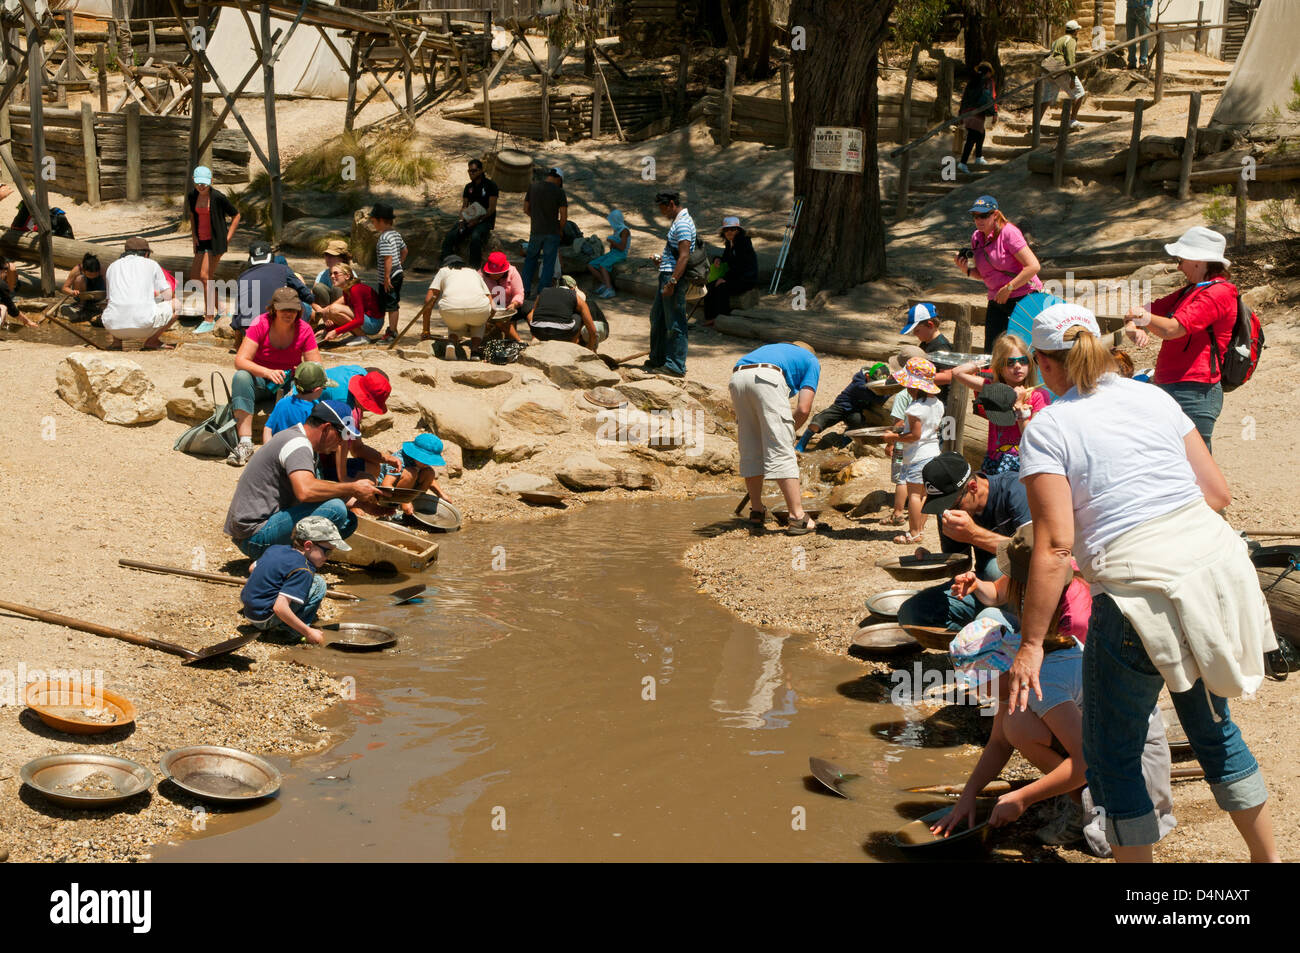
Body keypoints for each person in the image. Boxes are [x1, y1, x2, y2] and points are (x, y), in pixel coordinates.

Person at [1016, 301, 1279, 862]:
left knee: (1114, 755)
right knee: (1214, 732)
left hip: (1141, 595)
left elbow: (1056, 545)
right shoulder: (1154, 396)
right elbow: (1218, 495)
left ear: (1043, 363)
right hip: (1212, 575)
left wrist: (1032, 643)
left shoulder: (1048, 425)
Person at [223, 399, 384, 560]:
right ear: (327, 428)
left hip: (260, 529)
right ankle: (294, 561)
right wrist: (352, 488)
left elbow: (319, 490)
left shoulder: (305, 446)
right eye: (342, 435)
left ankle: (298, 556)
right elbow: (305, 491)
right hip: (254, 535)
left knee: (348, 522)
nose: (342, 443)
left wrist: (361, 503)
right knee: (336, 509)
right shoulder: (297, 444)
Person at [1123, 226, 1237, 453]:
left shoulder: (1219, 293)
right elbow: (1137, 312)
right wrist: (1132, 326)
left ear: (1198, 261)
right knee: (1169, 460)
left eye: (1181, 259)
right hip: (1169, 384)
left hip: (1196, 391)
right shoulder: (1191, 291)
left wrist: (1142, 319)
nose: (1179, 266)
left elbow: (1172, 329)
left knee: (1196, 466)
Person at [896, 451, 1032, 630]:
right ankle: (979, 634)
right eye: (942, 507)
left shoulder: (1016, 490)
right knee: (911, 613)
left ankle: (1003, 630)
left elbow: (1033, 552)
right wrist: (932, 562)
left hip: (1026, 593)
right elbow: (961, 567)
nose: (948, 512)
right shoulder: (950, 511)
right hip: (983, 588)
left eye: (952, 505)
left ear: (973, 487)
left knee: (995, 568)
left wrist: (974, 534)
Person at [729, 341, 820, 536]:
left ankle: (756, 511)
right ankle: (797, 518)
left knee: (751, 447)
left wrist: (776, 432)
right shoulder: (811, 360)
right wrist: (785, 435)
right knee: (781, 450)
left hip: (737, 377)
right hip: (767, 377)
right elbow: (804, 408)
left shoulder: (775, 350)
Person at [228, 287, 323, 467]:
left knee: (311, 387)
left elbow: (316, 367)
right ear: (274, 309)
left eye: (293, 310)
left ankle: (299, 446)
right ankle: (245, 442)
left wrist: (301, 372)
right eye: (284, 309)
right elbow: (240, 360)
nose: (289, 313)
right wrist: (267, 372)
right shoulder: (260, 323)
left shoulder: (304, 329)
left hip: (288, 384)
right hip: (260, 381)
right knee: (241, 377)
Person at [240, 515, 350, 646]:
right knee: (319, 584)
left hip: (249, 611)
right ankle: (289, 631)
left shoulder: (276, 549)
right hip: (264, 619)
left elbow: (252, 568)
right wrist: (308, 632)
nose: (327, 558)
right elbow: (280, 608)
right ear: (308, 545)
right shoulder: (304, 569)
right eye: (327, 552)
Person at [951, 332, 1051, 474]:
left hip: (1022, 461)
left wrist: (1020, 406)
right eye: (1009, 362)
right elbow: (957, 373)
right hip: (994, 458)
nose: (1017, 366)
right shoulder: (994, 389)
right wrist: (981, 364)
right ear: (1000, 366)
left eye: (1023, 361)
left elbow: (1033, 436)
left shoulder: (1038, 395)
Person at [953, 196, 1042, 352]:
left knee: (1023, 351)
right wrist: (966, 269)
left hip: (1022, 297)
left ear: (995, 215)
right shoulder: (977, 237)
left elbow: (1033, 266)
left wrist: (1009, 288)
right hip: (996, 299)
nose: (979, 220)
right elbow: (985, 274)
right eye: (975, 216)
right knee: (992, 351)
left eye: (984, 215)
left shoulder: (1009, 233)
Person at [881, 357, 945, 545]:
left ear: (915, 387)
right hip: (933, 451)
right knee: (925, 494)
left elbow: (915, 435)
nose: (907, 389)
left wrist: (893, 437)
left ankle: (914, 533)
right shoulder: (937, 404)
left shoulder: (915, 408)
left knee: (915, 495)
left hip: (918, 455)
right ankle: (920, 529)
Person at [645, 190, 697, 379]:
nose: (662, 212)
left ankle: (675, 365)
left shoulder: (682, 224)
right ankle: (658, 358)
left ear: (672, 204)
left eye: (663, 208)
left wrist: (672, 282)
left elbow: (684, 256)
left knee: (675, 321)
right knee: (657, 318)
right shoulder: (678, 222)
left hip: (672, 278)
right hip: (667, 273)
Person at [322, 368, 399, 484]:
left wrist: (387, 458)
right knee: (368, 481)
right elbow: (341, 444)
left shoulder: (357, 373)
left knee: (372, 469)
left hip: (329, 455)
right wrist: (344, 479)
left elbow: (357, 448)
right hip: (318, 455)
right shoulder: (345, 406)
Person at [186, 165, 241, 326]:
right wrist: (194, 236)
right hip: (200, 241)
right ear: (193, 181)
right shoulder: (192, 196)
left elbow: (236, 215)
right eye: (198, 183)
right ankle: (222, 309)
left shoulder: (217, 197)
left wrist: (227, 238)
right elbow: (192, 215)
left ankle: (209, 318)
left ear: (210, 181)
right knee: (195, 278)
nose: (201, 186)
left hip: (216, 242)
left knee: (205, 277)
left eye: (204, 183)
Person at [102, 236, 176, 349]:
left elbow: (109, 300)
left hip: (114, 327)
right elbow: (168, 296)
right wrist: (155, 298)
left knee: (113, 305)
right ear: (145, 254)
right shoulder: (152, 264)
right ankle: (152, 341)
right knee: (177, 304)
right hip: (144, 326)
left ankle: (117, 343)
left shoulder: (112, 266)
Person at [234, 240, 313, 341]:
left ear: (250, 259)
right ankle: (300, 339)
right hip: (278, 328)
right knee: (305, 305)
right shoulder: (283, 269)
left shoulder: (242, 277)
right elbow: (307, 296)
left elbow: (239, 310)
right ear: (271, 256)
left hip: (251, 331)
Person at [800, 361, 890, 448]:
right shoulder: (859, 384)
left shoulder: (870, 384)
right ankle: (802, 443)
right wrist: (890, 392)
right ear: (867, 376)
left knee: (857, 424)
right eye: (874, 383)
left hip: (854, 411)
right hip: (841, 407)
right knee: (819, 422)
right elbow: (878, 399)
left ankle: (842, 442)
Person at [418, 254, 494, 354]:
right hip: (478, 309)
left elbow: (428, 301)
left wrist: (426, 331)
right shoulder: (473, 272)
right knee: (479, 323)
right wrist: (488, 319)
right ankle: (475, 351)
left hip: (452, 310)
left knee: (454, 323)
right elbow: (490, 300)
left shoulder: (443, 271)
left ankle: (452, 343)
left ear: (445, 265)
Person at [884, 346, 924, 526]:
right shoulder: (929, 398)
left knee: (901, 478)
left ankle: (898, 512)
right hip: (921, 446)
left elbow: (899, 423)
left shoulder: (902, 396)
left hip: (903, 443)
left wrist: (891, 442)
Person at [441, 157, 499, 268]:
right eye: (469, 171)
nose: (471, 173)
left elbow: (491, 209)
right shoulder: (468, 187)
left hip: (485, 220)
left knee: (475, 237)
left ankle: (474, 267)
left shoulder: (491, 185)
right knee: (452, 235)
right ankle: (446, 263)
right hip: (470, 218)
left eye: (474, 170)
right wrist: (462, 220)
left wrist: (478, 220)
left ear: (481, 170)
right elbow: (464, 206)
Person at [703, 215, 759, 325]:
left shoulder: (743, 243)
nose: (729, 232)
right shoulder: (730, 243)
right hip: (735, 276)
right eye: (726, 230)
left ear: (738, 231)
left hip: (746, 278)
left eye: (732, 229)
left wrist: (725, 278)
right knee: (709, 287)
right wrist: (717, 259)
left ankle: (723, 318)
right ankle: (710, 317)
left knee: (722, 288)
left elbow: (741, 265)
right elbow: (726, 259)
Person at [521, 167, 568, 296]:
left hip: (536, 231)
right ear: (558, 179)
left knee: (530, 261)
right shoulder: (559, 192)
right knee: (548, 263)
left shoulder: (533, 187)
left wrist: (536, 218)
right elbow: (563, 217)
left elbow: (525, 209)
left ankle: (525, 290)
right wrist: (560, 229)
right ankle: (542, 294)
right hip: (552, 233)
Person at [380, 433, 450, 519]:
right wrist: (404, 501)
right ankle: (394, 509)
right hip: (387, 495)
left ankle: (416, 504)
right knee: (410, 473)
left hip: (406, 492)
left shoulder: (421, 463)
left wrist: (441, 494)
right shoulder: (398, 460)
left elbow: (430, 480)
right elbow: (385, 485)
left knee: (429, 472)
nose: (426, 463)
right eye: (424, 459)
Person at [262, 361, 335, 443]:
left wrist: (268, 448)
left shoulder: (282, 402)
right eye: (323, 388)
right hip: (301, 453)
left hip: (278, 451)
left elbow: (267, 429)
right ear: (317, 390)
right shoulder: (314, 410)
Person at [313, 262, 383, 344]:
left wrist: (336, 331)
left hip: (373, 323)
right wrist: (326, 330)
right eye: (331, 274)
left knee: (333, 309)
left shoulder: (355, 289)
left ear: (347, 276)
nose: (332, 276)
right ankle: (358, 335)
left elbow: (359, 320)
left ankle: (362, 337)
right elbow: (343, 318)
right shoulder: (347, 290)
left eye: (336, 273)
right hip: (368, 321)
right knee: (330, 311)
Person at [899, 302, 956, 400]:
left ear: (930, 325)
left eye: (917, 331)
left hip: (939, 400)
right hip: (926, 396)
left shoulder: (941, 346)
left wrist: (916, 379)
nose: (915, 334)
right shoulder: (925, 342)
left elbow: (948, 376)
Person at [525, 282, 598, 350]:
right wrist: (590, 348)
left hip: (537, 331)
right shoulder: (574, 295)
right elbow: (593, 331)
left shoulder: (543, 292)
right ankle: (571, 346)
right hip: (562, 334)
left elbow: (532, 313)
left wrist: (534, 335)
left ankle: (537, 340)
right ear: (572, 288)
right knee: (580, 315)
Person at [1043, 19, 1087, 129]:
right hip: (1060, 69)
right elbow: (1070, 59)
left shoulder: (1058, 40)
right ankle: (1072, 120)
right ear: (1075, 31)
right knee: (1080, 93)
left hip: (1049, 69)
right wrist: (1072, 77)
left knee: (1047, 98)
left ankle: (1035, 126)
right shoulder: (1071, 40)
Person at [371, 203, 407, 339]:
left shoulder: (384, 238)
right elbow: (405, 250)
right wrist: (400, 264)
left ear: (381, 220)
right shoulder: (395, 234)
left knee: (391, 304)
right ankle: (391, 329)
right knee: (391, 301)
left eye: (374, 221)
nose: (373, 224)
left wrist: (387, 277)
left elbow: (388, 258)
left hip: (390, 277)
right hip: (397, 273)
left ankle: (392, 331)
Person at [957, 61, 996, 174]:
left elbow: (964, 98)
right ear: (988, 72)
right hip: (976, 113)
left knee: (981, 133)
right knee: (972, 137)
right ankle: (963, 163)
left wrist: (960, 113)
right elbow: (989, 98)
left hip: (966, 112)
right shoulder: (986, 82)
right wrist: (993, 112)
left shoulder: (972, 81)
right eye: (990, 73)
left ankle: (978, 157)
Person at [587, 209, 631, 300]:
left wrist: (612, 241)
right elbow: (613, 247)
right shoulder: (616, 230)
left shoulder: (624, 231)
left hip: (620, 254)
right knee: (591, 265)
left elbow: (622, 248)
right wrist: (612, 243)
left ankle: (610, 289)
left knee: (603, 266)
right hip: (613, 253)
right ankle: (605, 284)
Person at [481, 251, 524, 343]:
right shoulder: (480, 275)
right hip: (488, 308)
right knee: (499, 320)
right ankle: (519, 341)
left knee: (530, 308)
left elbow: (519, 292)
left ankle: (534, 338)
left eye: (498, 273)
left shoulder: (512, 272)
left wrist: (514, 303)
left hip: (508, 306)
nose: (495, 275)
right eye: (493, 273)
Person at [61, 253, 106, 321]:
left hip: (99, 293)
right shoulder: (77, 269)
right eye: (90, 275)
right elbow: (64, 288)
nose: (92, 277)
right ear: (83, 270)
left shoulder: (102, 269)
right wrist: (72, 292)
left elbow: (110, 286)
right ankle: (82, 304)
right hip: (82, 294)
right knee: (79, 279)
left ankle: (100, 304)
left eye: (94, 275)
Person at [311, 238, 352, 306]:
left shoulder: (349, 273)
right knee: (318, 288)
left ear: (342, 258)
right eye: (326, 255)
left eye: (332, 256)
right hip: (325, 309)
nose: (327, 258)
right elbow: (313, 293)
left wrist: (330, 309)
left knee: (337, 288)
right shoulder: (323, 274)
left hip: (343, 308)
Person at [0, 252, 35, 328]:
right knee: (4, 307)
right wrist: (27, 321)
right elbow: (12, 309)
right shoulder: (2, 285)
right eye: (5, 271)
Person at [1126, 0, 1153, 69]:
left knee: (1143, 37)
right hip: (1130, 8)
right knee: (1130, 37)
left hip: (1143, 8)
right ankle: (1131, 62)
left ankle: (1143, 62)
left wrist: (1147, 5)